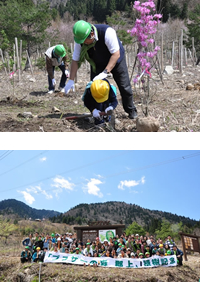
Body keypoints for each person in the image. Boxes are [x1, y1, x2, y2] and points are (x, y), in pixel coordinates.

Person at [64, 20, 137, 119]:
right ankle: (100, 113)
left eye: (85, 40)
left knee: (125, 87)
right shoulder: (80, 40)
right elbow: (75, 60)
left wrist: (105, 72)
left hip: (116, 60)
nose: (84, 43)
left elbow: (116, 54)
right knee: (95, 89)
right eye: (82, 42)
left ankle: (131, 110)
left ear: (92, 34)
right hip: (97, 63)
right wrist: (71, 80)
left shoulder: (107, 32)